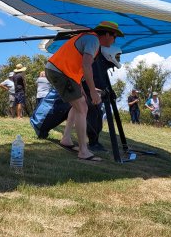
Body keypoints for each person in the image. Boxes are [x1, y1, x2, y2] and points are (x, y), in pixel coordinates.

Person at [45, 20, 123, 161]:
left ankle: (66, 139)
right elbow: (86, 66)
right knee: (82, 107)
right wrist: (92, 91)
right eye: (114, 36)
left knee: (78, 105)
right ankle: (83, 151)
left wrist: (80, 87)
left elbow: (79, 66)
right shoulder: (93, 40)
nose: (114, 40)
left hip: (62, 72)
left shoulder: (91, 39)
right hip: (60, 71)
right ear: (107, 34)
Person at [84, 44, 122, 151]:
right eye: (117, 56)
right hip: (89, 92)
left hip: (94, 93)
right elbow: (89, 78)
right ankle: (93, 142)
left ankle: (94, 141)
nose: (118, 59)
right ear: (109, 55)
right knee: (93, 115)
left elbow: (102, 79)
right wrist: (93, 90)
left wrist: (109, 91)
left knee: (97, 115)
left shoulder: (102, 64)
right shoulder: (96, 63)